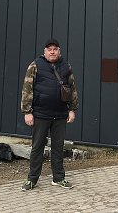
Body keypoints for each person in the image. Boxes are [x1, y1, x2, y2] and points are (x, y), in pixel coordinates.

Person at [20, 38, 78, 191]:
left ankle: (59, 178)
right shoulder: (35, 65)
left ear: (59, 51)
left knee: (58, 147)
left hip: (60, 114)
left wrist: (72, 109)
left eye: (55, 49)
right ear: (45, 51)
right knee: (37, 147)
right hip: (40, 114)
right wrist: (27, 112)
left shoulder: (66, 66)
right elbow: (27, 88)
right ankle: (32, 179)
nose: (52, 52)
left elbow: (72, 88)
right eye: (49, 49)